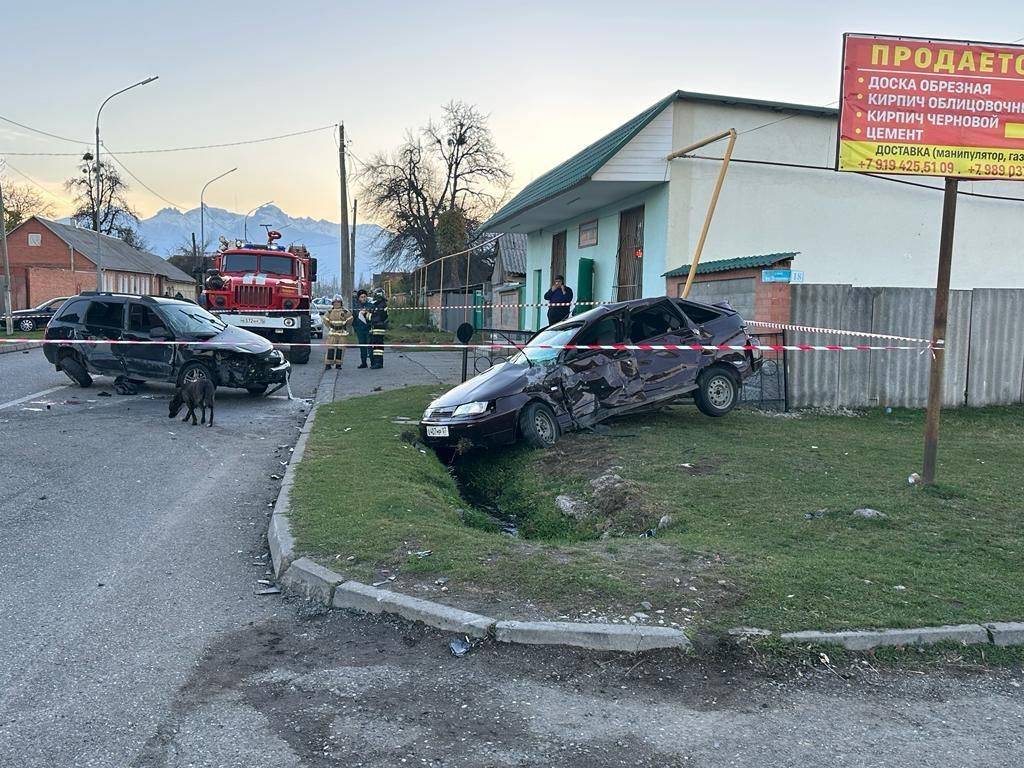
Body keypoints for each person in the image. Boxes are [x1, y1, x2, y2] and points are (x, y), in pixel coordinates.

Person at [323, 296, 352, 370]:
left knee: (340, 349)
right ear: (333, 303)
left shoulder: (345, 312)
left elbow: (350, 320)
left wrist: (345, 327)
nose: (337, 304)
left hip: (342, 333)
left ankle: (338, 364)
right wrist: (330, 327)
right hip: (333, 333)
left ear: (341, 303)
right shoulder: (329, 312)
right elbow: (325, 320)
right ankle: (328, 364)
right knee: (330, 349)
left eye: (338, 302)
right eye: (335, 302)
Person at [352, 289, 371, 369]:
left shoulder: (370, 305)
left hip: (368, 329)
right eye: (361, 297)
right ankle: (363, 363)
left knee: (370, 346)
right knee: (362, 346)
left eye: (364, 297)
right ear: (359, 298)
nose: (363, 298)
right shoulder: (356, 306)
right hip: (360, 329)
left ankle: (373, 362)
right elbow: (354, 317)